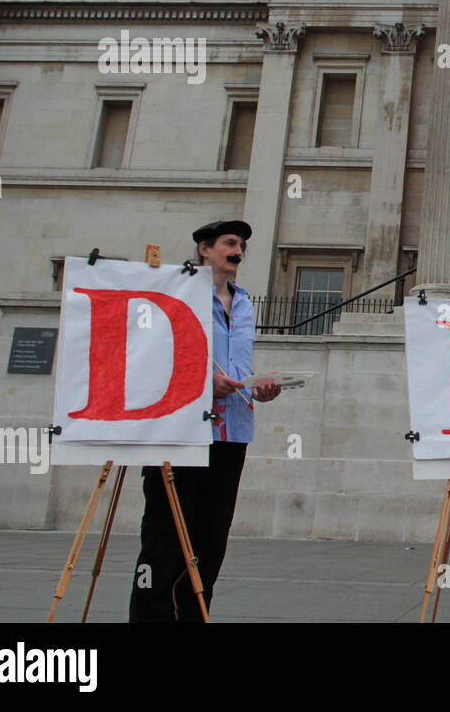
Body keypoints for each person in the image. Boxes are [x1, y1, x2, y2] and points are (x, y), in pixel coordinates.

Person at [129, 219, 282, 622]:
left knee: (210, 543)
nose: (238, 251)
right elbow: (149, 359)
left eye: (242, 246)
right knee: (165, 541)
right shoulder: (177, 294)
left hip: (232, 436)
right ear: (204, 249)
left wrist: (259, 388)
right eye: (230, 243)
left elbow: (238, 367)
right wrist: (201, 383)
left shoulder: (245, 301)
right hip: (182, 433)